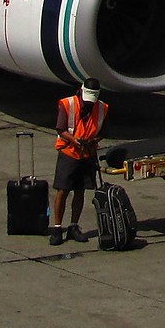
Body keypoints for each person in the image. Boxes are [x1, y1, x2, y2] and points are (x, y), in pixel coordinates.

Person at [49, 82, 109, 245]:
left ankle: (73, 226)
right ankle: (57, 228)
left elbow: (103, 132)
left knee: (80, 191)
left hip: (87, 154)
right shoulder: (68, 104)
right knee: (63, 190)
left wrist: (91, 141)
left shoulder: (102, 108)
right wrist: (74, 140)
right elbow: (61, 129)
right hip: (69, 152)